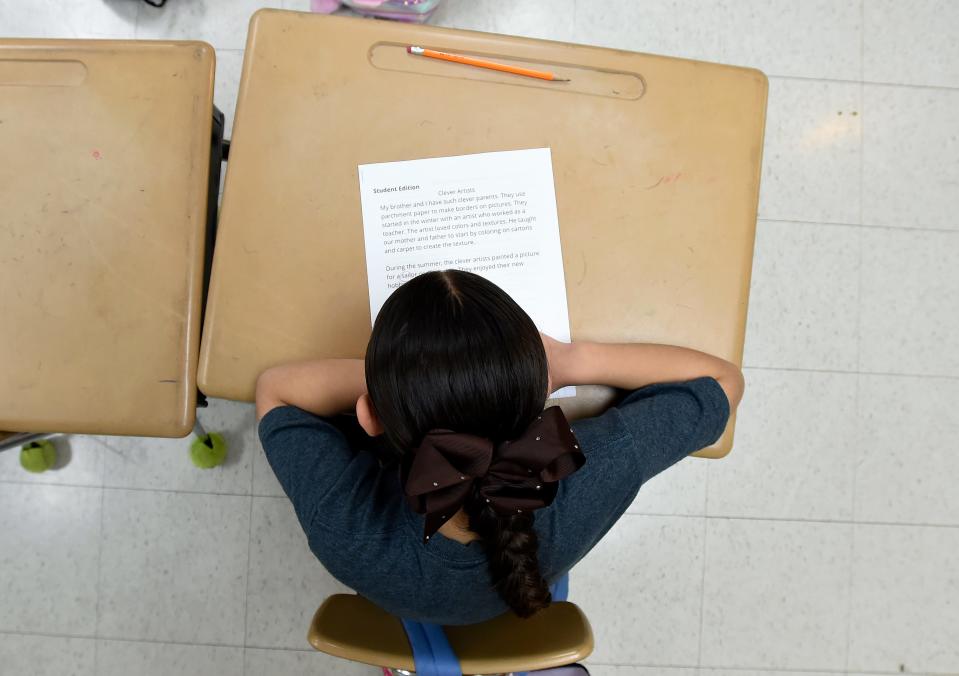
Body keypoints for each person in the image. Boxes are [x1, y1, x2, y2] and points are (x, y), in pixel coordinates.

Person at [255, 270, 744, 625]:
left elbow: (274, 389)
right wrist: (572, 360)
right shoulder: (596, 472)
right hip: (514, 586)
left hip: (403, 596)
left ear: (370, 415)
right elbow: (723, 381)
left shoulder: (339, 521)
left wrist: (407, 381)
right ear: (539, 399)